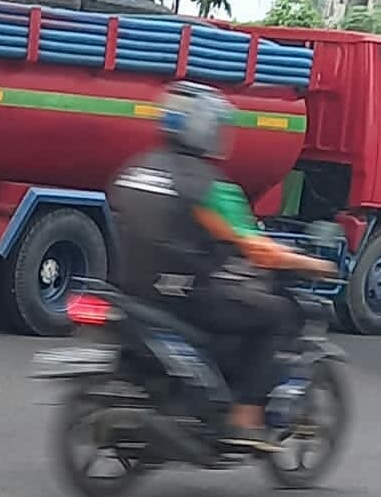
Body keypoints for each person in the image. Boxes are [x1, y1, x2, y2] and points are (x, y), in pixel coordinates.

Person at [107, 81, 334, 451]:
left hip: (133, 291)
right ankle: (244, 417)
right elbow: (261, 253)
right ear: (204, 128)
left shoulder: (136, 169)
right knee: (277, 314)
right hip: (187, 297)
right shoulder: (209, 186)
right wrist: (314, 264)